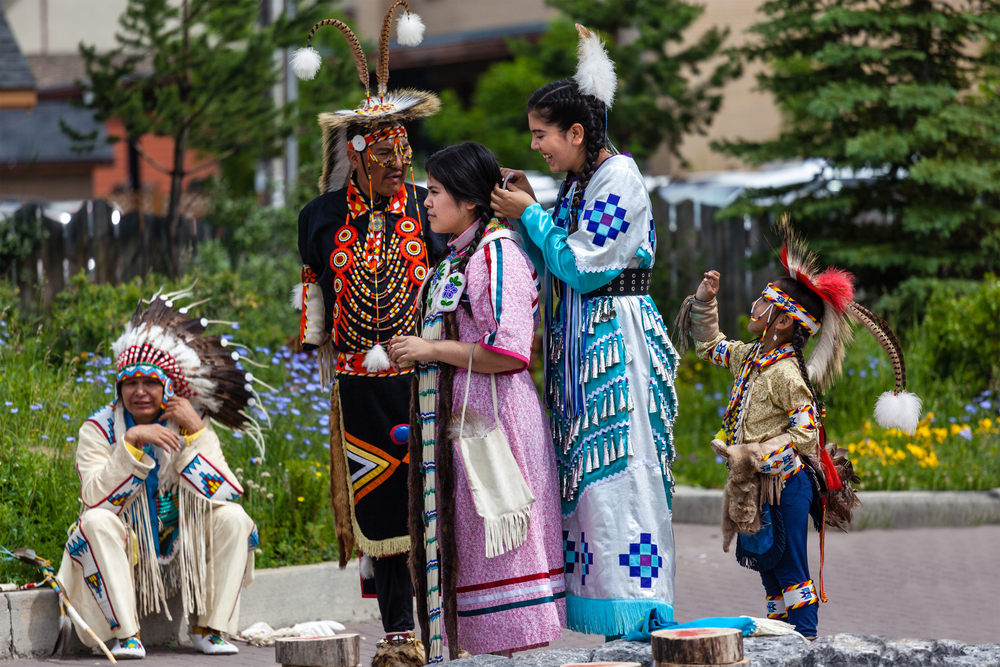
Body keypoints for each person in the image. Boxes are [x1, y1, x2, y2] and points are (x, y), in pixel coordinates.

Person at [490, 25, 679, 639]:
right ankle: (616, 628)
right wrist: (531, 203)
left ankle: (641, 617)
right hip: (583, 351)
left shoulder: (619, 177)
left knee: (622, 476)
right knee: (593, 491)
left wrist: (533, 214)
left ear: (576, 132)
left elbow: (582, 264)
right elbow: (557, 251)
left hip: (616, 351)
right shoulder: (578, 182)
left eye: (542, 135)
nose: (538, 146)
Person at [675, 218, 921, 638]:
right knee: (768, 568)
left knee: (789, 565)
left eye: (762, 302)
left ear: (784, 321)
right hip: (757, 482)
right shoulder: (750, 356)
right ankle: (778, 638)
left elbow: (806, 434)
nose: (754, 306)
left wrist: (755, 453)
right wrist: (704, 302)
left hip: (786, 483)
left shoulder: (789, 373)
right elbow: (709, 345)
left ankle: (805, 641)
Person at [290, 3, 445, 655]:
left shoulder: (429, 207)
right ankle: (398, 634)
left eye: (399, 149)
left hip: (425, 378)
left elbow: (451, 287)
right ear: (355, 150)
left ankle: (443, 631)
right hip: (358, 387)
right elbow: (314, 297)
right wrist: (313, 344)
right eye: (379, 150)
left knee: (432, 504)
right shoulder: (321, 217)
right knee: (380, 507)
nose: (391, 161)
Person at [389, 143, 565, 659]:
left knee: (499, 539)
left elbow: (510, 350)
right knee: (473, 541)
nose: (426, 201)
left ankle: (509, 653)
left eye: (436, 192)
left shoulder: (497, 253)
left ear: (468, 201)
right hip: (466, 413)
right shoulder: (463, 252)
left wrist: (432, 349)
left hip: (495, 420)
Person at [56, 293, 262, 659]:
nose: (140, 392)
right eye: (129, 383)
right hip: (126, 549)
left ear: (167, 387)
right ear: (118, 389)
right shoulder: (99, 429)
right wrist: (132, 443)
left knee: (233, 518)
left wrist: (197, 432)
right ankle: (124, 635)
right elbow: (95, 497)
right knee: (95, 522)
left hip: (180, 545)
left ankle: (208, 628)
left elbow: (224, 493)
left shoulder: (188, 423)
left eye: (150, 382)